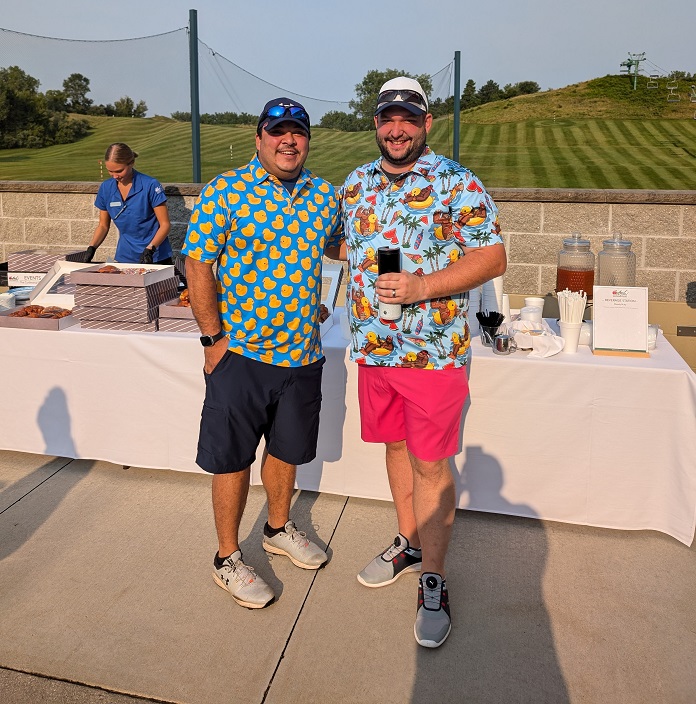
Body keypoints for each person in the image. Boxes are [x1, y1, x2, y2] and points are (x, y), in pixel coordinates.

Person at [325, 77, 507, 647]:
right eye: (387, 118)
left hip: (432, 356)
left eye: (408, 118)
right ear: (376, 124)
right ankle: (408, 541)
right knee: (396, 449)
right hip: (375, 351)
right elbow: (341, 243)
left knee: (431, 464)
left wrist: (422, 283)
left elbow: (493, 256)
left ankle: (434, 577)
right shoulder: (355, 183)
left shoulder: (456, 182)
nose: (396, 128)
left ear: (426, 124)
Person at [182, 98, 342, 609]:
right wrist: (213, 340)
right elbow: (198, 264)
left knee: (286, 450)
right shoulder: (227, 192)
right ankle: (227, 557)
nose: (288, 141)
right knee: (231, 459)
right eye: (278, 132)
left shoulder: (323, 195)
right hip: (242, 355)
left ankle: (277, 527)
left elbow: (338, 246)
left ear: (307, 141)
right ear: (259, 139)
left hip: (301, 356)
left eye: (298, 133)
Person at [86, 143, 172, 264]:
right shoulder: (106, 188)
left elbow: (165, 225)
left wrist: (150, 249)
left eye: (119, 171)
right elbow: (103, 226)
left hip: (155, 256)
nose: (115, 176)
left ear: (131, 163)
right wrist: (91, 248)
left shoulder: (150, 185)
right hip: (126, 257)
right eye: (110, 171)